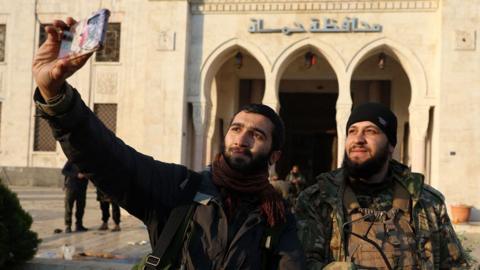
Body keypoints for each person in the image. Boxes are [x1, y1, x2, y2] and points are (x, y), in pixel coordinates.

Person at [32, 18, 305, 269]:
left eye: (257, 135)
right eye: (236, 128)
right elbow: (107, 158)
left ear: (274, 155)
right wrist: (55, 95)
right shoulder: (181, 190)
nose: (242, 139)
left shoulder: (278, 220)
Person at [295, 103, 468, 269]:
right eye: (352, 131)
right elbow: (298, 264)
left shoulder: (426, 202)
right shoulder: (318, 201)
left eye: (370, 131)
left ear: (391, 145)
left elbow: (455, 265)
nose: (358, 139)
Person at [62, 161, 88, 233]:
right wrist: (76, 175)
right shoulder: (71, 160)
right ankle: (68, 225)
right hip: (71, 187)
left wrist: (86, 175)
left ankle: (79, 225)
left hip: (82, 188)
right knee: (68, 206)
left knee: (81, 207)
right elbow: (64, 171)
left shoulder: (87, 162)